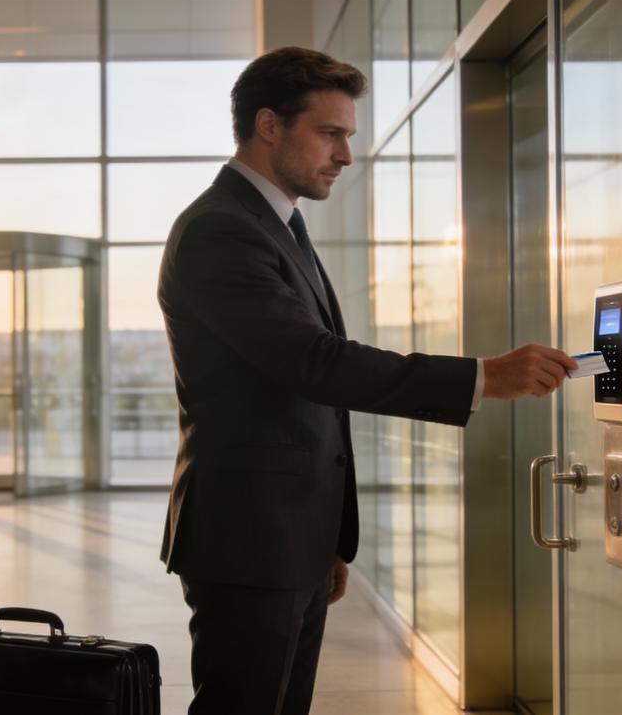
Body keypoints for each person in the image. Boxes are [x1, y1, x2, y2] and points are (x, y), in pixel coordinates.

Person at [156, 46, 577, 715]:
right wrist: (480, 377)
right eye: (330, 133)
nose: (345, 155)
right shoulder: (220, 230)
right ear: (269, 125)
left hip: (287, 534)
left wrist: (324, 536)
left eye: (346, 135)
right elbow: (316, 362)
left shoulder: (275, 225)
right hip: (248, 539)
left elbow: (300, 393)